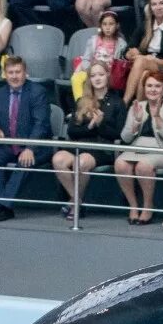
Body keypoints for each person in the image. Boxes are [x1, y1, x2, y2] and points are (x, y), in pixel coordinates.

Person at [0, 55, 51, 222]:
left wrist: (30, 148)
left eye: (18, 72)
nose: (14, 76)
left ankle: (0, 206)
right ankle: (1, 207)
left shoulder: (38, 92)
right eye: (10, 72)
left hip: (37, 146)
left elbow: (40, 125)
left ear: (25, 73)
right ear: (5, 74)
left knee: (25, 161)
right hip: (9, 144)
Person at [53, 61, 125, 218]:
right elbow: (72, 130)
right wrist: (91, 126)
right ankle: (77, 201)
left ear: (107, 75)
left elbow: (119, 134)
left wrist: (100, 126)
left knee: (81, 162)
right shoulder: (82, 101)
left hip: (101, 146)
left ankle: (74, 205)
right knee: (58, 159)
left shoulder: (117, 102)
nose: (97, 79)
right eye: (93, 76)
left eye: (100, 74)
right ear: (89, 80)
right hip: (79, 144)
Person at [116, 69, 163, 223]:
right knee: (120, 164)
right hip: (136, 147)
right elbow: (124, 138)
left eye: (157, 86)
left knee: (143, 166)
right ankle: (133, 206)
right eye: (149, 86)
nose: (153, 89)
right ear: (144, 88)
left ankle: (147, 206)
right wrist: (136, 122)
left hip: (161, 149)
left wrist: (158, 116)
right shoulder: (136, 106)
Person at [121, 0, 163, 105]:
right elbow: (127, 50)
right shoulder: (145, 25)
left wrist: (155, 60)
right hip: (143, 67)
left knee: (140, 60)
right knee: (145, 75)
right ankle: (140, 111)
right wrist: (129, 54)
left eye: (161, 3)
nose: (158, 7)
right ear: (150, 8)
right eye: (154, 4)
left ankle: (124, 103)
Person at [69, 10, 126, 100]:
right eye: (104, 24)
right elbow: (86, 59)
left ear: (117, 25)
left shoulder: (121, 43)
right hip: (92, 71)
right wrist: (91, 71)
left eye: (111, 24)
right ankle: (80, 104)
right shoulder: (93, 40)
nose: (107, 27)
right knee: (76, 78)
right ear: (100, 26)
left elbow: (120, 64)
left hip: (109, 74)